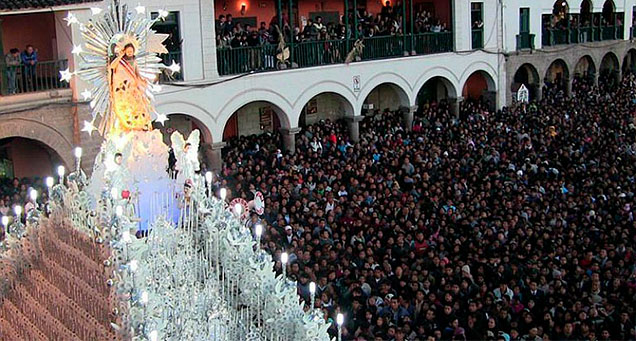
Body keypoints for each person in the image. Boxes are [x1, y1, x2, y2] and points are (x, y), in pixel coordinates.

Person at [108, 41, 151, 133]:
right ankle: (129, 124)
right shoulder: (120, 61)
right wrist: (120, 56)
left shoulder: (134, 61)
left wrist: (142, 81)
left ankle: (140, 124)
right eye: (128, 51)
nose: (130, 53)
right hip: (122, 87)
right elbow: (112, 66)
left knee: (138, 105)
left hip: (133, 87)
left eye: (131, 51)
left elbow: (136, 74)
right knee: (126, 107)